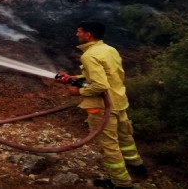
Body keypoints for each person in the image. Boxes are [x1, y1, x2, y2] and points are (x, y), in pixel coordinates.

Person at [56, 21, 147, 189]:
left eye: (79, 31)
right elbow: (106, 77)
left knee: (109, 145)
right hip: (118, 102)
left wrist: (78, 92)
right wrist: (73, 79)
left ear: (88, 34)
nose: (77, 34)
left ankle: (121, 183)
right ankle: (137, 167)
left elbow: (100, 86)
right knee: (125, 138)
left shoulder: (89, 56)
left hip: (102, 107)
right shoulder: (109, 50)